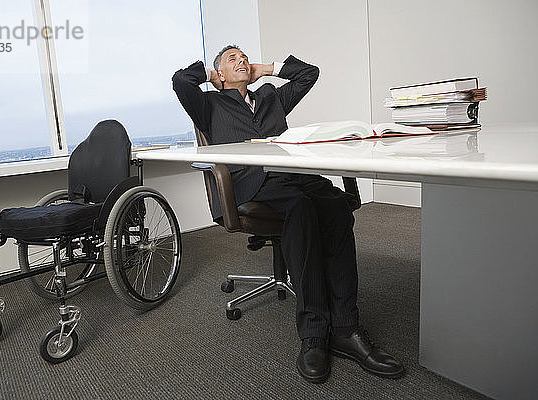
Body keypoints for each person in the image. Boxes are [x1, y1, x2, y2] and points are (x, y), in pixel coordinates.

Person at [172, 45, 404, 383]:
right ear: (219, 72)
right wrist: (213, 77)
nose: (242, 61)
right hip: (252, 182)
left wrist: (265, 69)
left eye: (244, 57)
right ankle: (313, 333)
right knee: (301, 209)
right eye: (232, 59)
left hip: (295, 175)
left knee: (338, 209)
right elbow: (180, 81)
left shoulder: (269, 97)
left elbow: (309, 74)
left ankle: (346, 328)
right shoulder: (208, 104)